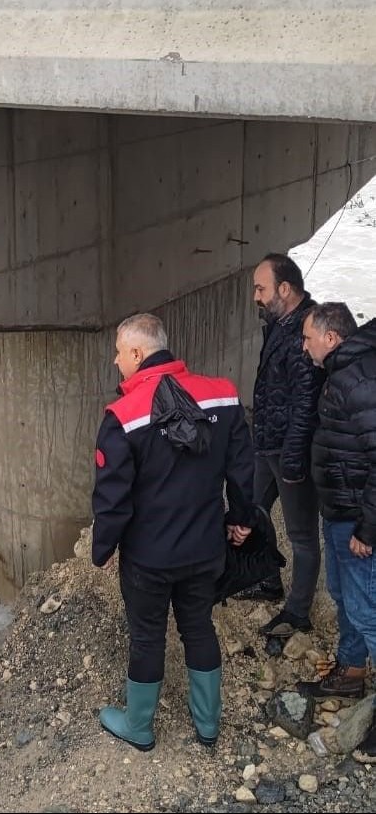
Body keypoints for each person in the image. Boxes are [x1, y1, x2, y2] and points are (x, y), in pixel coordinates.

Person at [92, 313, 256, 751]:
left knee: (147, 636)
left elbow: (113, 498)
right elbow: (243, 468)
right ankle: (207, 726)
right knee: (198, 627)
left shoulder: (122, 416)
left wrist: (102, 549)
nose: (115, 361)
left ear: (137, 353)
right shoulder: (223, 395)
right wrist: (242, 518)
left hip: (149, 557)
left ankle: (139, 728)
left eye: (118, 352)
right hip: (205, 548)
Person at [300, 302, 376, 763]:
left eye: (308, 337)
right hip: (340, 511)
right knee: (345, 596)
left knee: (368, 610)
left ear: (332, 338)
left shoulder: (357, 381)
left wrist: (368, 527)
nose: (303, 345)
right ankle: (350, 670)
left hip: (357, 519)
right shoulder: (340, 372)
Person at [242, 255, 326, 644]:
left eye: (261, 289)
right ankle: (269, 579)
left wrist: (293, 464)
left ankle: (298, 611)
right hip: (267, 444)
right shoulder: (279, 324)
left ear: (285, 290)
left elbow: (305, 407)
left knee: (302, 534)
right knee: (254, 510)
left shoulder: (305, 331)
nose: (256, 297)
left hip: (291, 453)